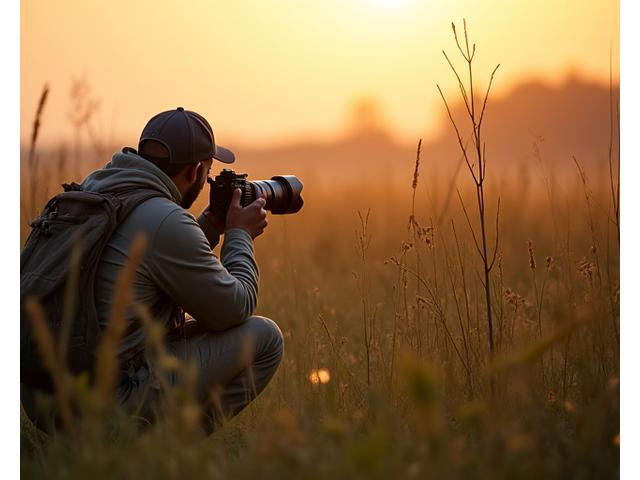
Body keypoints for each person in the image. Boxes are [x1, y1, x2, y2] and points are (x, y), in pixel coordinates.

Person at [26, 107, 284, 433]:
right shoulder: (165, 219)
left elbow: (145, 257)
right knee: (265, 338)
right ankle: (163, 456)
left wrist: (210, 226)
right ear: (194, 172)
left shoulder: (96, 191)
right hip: (99, 410)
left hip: (43, 400)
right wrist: (239, 235)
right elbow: (234, 309)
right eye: (207, 172)